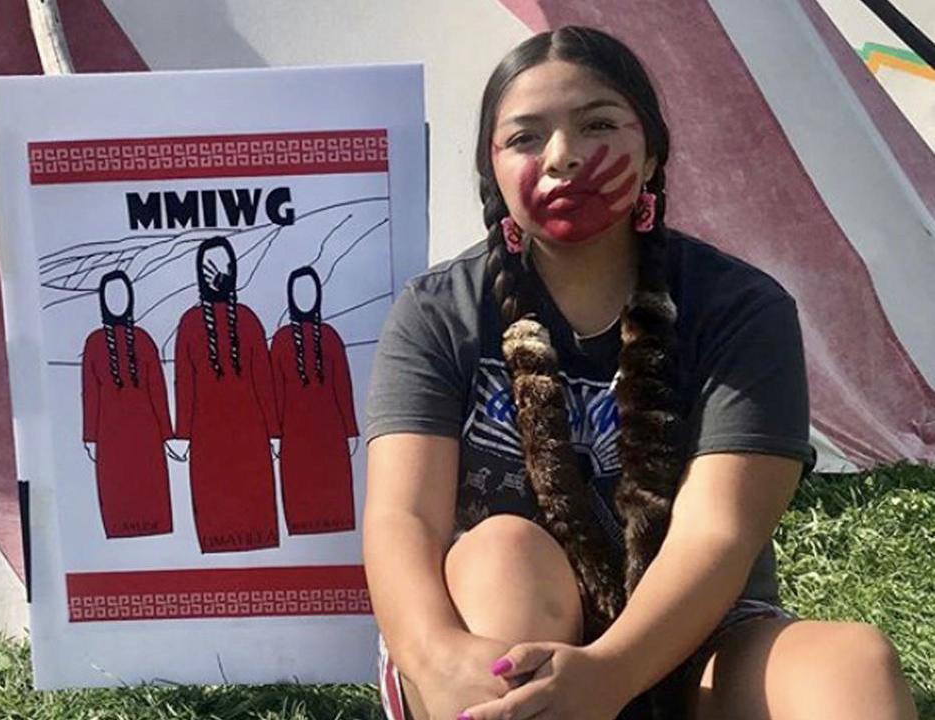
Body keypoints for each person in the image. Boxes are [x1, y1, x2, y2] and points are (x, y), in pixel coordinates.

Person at [362, 26, 918, 720]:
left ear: (652, 153)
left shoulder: (741, 309)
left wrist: (609, 672)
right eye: (526, 137)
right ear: (492, 168)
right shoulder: (438, 311)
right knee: (505, 549)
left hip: (693, 638)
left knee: (852, 667)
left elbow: (718, 532)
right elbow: (401, 516)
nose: (563, 156)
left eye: (597, 124)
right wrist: (433, 657)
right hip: (496, 638)